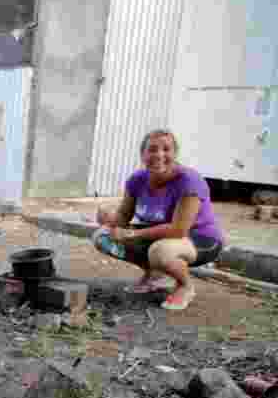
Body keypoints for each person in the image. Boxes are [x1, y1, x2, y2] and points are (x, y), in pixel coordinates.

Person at [92, 129, 225, 311]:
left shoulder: (189, 181)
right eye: (152, 149)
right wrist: (108, 218)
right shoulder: (137, 179)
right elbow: (124, 215)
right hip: (162, 234)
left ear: (175, 154)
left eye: (166, 149)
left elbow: (179, 230)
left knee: (160, 251)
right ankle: (155, 275)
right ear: (143, 155)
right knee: (102, 237)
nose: (159, 155)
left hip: (201, 239)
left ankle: (185, 285)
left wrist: (132, 233)